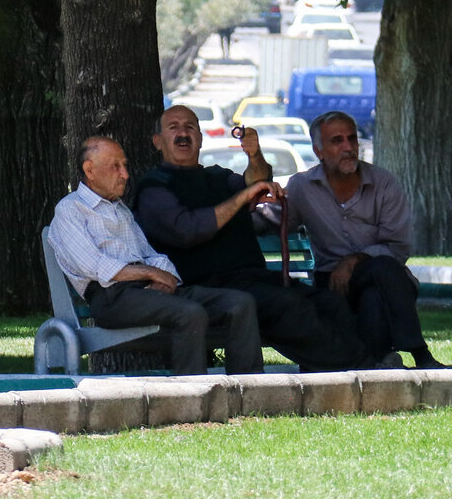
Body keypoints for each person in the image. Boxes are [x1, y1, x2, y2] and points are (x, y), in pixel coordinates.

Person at [133, 105, 397, 372]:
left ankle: (362, 366)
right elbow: (188, 230)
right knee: (290, 306)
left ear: (200, 138)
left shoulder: (217, 176)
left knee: (330, 303)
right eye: (174, 127)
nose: (183, 133)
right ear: (158, 141)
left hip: (253, 279)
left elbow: (256, 181)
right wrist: (241, 199)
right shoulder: (155, 187)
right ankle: (366, 370)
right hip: (207, 288)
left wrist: (254, 154)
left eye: (190, 127)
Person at [49, 136, 264, 376]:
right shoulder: (70, 209)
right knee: (188, 312)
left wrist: (164, 279)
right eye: (115, 166)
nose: (125, 174)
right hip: (112, 297)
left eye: (125, 165)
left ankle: (250, 389)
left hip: (147, 290)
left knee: (239, 304)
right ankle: (194, 393)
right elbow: (95, 266)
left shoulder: (120, 209)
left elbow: (151, 255)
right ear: (90, 170)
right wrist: (152, 274)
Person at [285, 111, 443, 369]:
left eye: (352, 139)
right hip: (332, 284)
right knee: (377, 285)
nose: (348, 147)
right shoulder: (302, 186)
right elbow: (273, 221)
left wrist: (353, 260)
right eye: (337, 141)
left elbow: (398, 247)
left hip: (388, 279)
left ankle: (376, 362)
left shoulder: (384, 183)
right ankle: (417, 355)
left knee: (377, 285)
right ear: (318, 151)